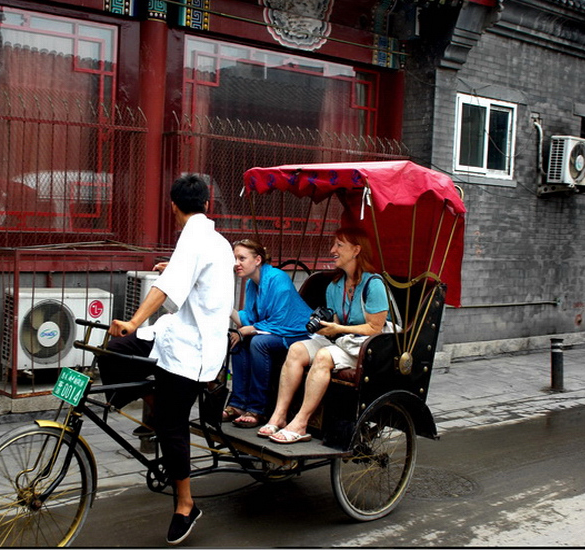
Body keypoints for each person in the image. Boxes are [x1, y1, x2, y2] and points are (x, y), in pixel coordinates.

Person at [99, 173, 234, 545]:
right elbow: (187, 278)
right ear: (208, 204)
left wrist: (133, 321)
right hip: (178, 335)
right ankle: (153, 402)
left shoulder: (194, 238)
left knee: (172, 425)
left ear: (172, 206)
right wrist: (169, 272)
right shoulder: (213, 239)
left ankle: (186, 505)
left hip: (194, 350)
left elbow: (166, 290)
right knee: (115, 352)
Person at [257, 226, 390, 444]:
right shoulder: (335, 286)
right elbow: (337, 321)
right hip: (342, 341)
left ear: (356, 250)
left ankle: (300, 423)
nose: (332, 250)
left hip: (367, 346)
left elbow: (375, 328)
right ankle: (279, 416)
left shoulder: (373, 284)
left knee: (323, 357)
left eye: (339, 245)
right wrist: (326, 326)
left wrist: (338, 329)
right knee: (297, 349)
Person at [224, 239, 312, 428]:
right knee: (238, 340)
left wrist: (250, 330)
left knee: (258, 342)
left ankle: (258, 409)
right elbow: (248, 319)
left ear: (257, 260)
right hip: (272, 331)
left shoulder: (277, 278)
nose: (236, 263)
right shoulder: (251, 284)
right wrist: (224, 306)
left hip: (296, 332)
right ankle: (238, 403)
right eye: (235, 258)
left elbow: (279, 319)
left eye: (242, 258)